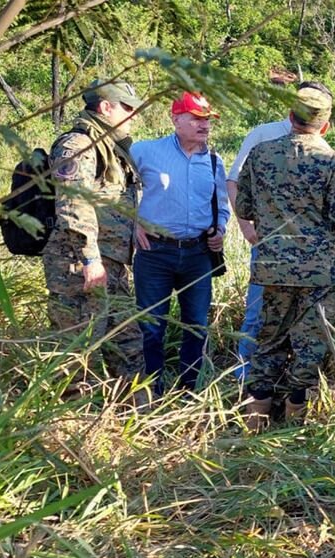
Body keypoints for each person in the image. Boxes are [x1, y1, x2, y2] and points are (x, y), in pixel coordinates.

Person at [235, 83, 335, 432]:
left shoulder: (260, 154)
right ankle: (295, 419)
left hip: (273, 265)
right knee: (311, 342)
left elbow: (244, 207)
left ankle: (256, 415)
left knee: (269, 336)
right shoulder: (329, 160)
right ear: (325, 125)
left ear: (290, 116)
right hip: (318, 270)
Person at [42, 78, 145, 396]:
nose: (134, 115)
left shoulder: (112, 148)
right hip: (79, 267)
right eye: (128, 108)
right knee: (76, 349)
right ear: (105, 107)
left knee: (128, 344)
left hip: (111, 266)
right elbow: (74, 205)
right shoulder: (78, 145)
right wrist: (91, 259)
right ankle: (69, 426)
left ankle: (136, 420)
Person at [226, 81, 331, 381]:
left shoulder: (324, 147)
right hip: (268, 245)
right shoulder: (263, 135)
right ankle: (246, 377)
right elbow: (234, 182)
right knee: (258, 312)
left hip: (310, 253)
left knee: (303, 318)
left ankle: (290, 382)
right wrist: (246, 227)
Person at [132, 92, 230, 395]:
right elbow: (115, 188)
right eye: (196, 118)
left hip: (198, 254)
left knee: (196, 327)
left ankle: (189, 391)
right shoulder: (144, 152)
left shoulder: (214, 161)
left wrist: (220, 229)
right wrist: (131, 221)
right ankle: (150, 393)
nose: (204, 126)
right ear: (175, 119)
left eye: (207, 120)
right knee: (150, 327)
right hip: (154, 253)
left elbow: (222, 205)